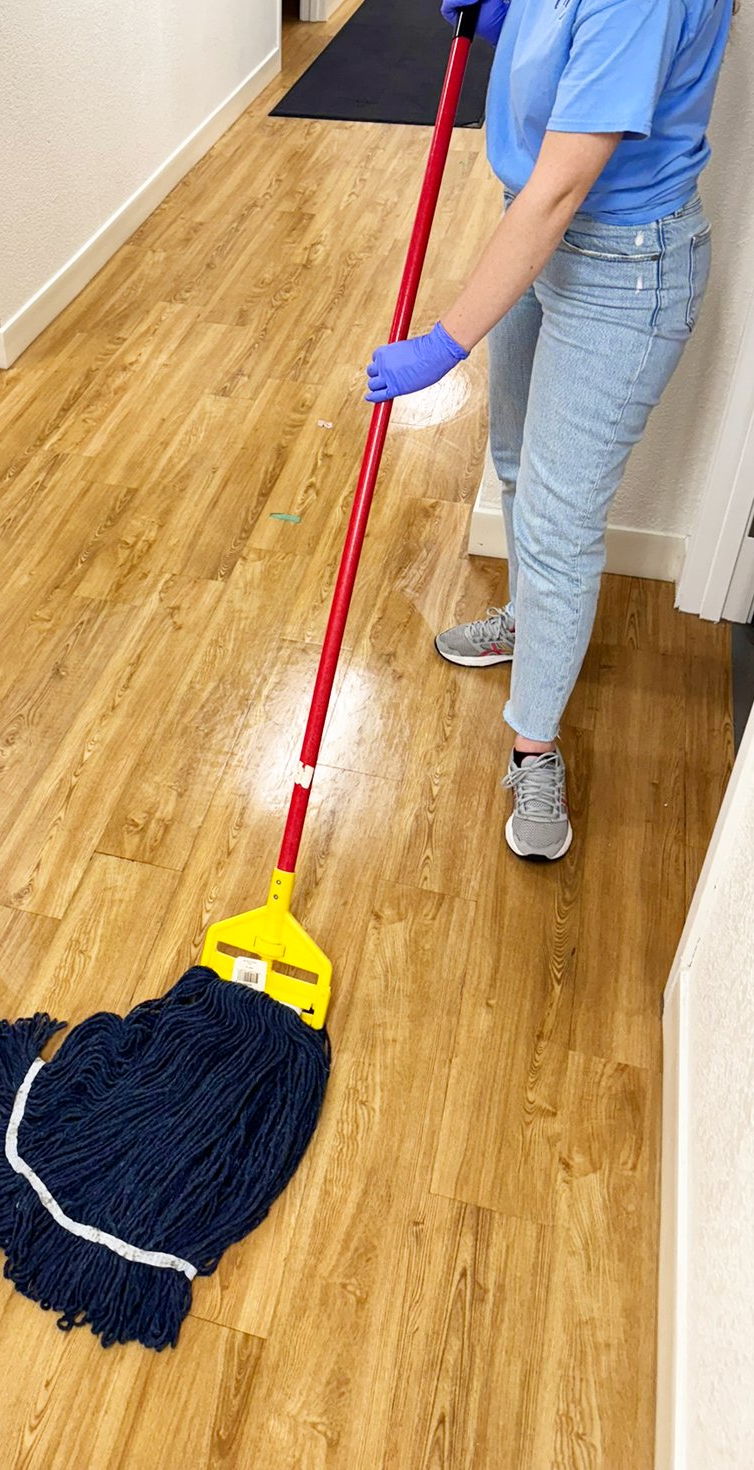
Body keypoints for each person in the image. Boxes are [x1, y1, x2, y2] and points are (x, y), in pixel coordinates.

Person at [365, 0, 732, 860]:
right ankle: (530, 625)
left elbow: (565, 185)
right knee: (517, 469)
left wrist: (445, 342)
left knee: (557, 527)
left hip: (618, 267)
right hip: (538, 231)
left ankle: (535, 747)